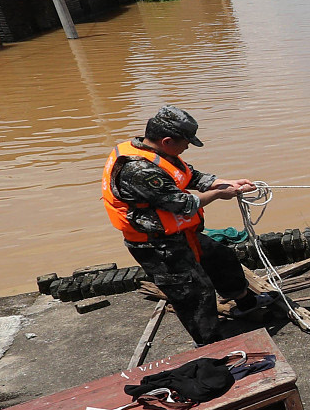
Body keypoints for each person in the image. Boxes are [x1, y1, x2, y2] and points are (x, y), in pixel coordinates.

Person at [102, 106, 270, 345]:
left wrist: (222, 182)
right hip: (156, 244)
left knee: (222, 258)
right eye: (186, 142)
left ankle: (246, 303)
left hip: (180, 233)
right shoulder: (138, 169)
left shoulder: (156, 152)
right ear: (167, 141)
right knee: (194, 293)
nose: (188, 147)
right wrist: (219, 194)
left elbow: (188, 175)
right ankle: (210, 346)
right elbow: (182, 204)